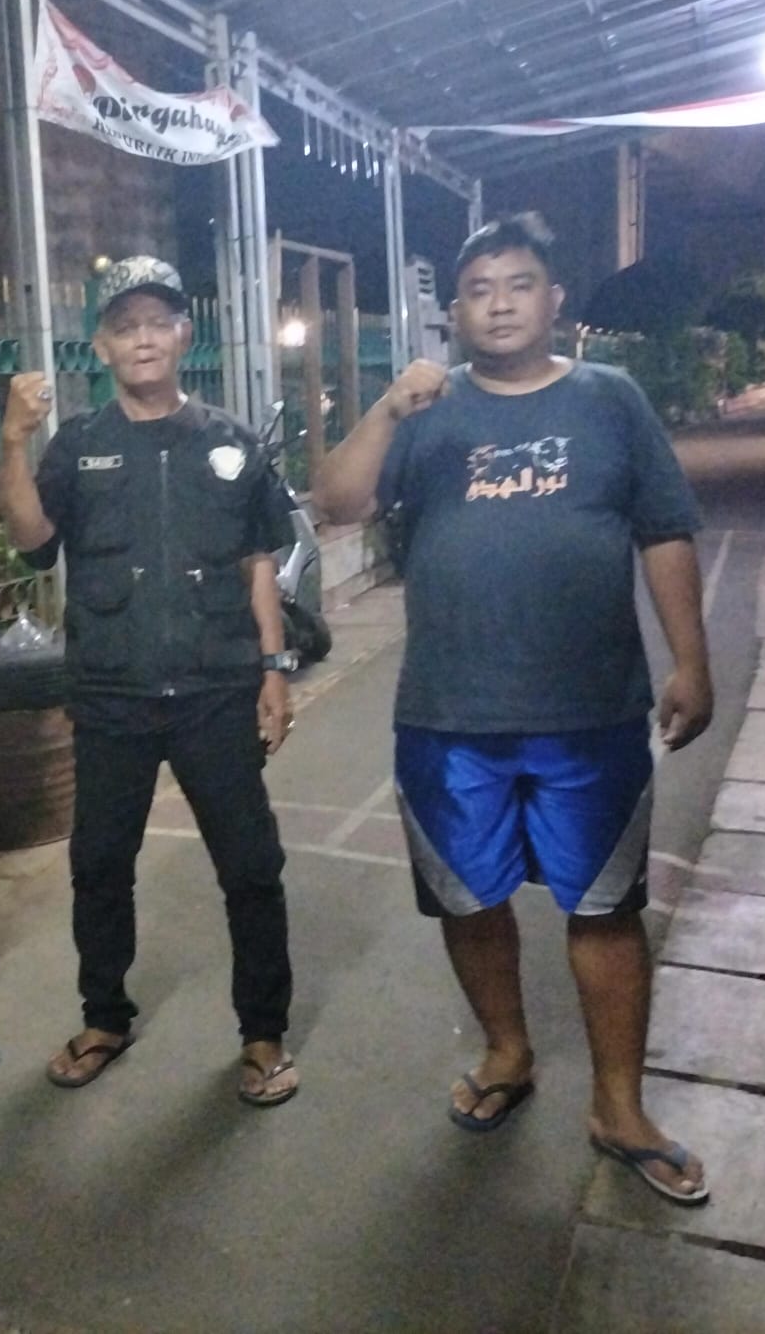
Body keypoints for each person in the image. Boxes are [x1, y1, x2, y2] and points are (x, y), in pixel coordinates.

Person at [314, 213, 713, 1204]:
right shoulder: (427, 409)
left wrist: (691, 664)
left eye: (519, 284)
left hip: (592, 714)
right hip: (450, 718)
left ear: (554, 300)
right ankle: (507, 1052)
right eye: (480, 289)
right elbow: (337, 503)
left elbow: (664, 531)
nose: (499, 304)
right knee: (470, 899)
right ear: (455, 311)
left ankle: (619, 1107)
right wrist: (385, 409)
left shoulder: (610, 399)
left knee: (605, 910)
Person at [0, 256, 301, 1106]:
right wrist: (13, 441)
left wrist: (274, 670)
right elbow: (30, 538)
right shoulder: (77, 445)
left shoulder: (231, 443)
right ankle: (105, 1018)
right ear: (101, 345)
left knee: (251, 868)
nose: (142, 339)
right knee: (99, 865)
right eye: (124, 326)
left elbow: (257, 562)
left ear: (183, 335)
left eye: (157, 323)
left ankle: (264, 1033)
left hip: (216, 691)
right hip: (112, 696)